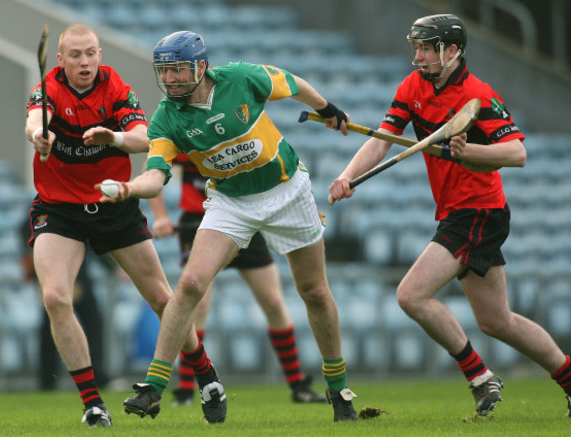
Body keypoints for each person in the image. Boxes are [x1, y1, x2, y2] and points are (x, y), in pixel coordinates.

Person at [329, 13, 571, 418]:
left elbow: (517, 153)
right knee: (498, 321)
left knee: (411, 294)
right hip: (458, 212)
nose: (419, 55)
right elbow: (383, 138)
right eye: (417, 47)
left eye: (427, 48)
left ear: (452, 51)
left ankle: (480, 377)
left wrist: (469, 152)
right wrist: (347, 175)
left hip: (479, 211)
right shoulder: (413, 86)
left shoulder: (478, 94)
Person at [104, 30, 358, 422]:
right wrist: (128, 189)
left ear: (201, 66)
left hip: (287, 190)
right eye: (164, 72)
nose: (169, 79)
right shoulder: (167, 118)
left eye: (177, 70)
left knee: (314, 292)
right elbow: (155, 175)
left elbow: (291, 83)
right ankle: (154, 387)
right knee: (189, 285)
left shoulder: (240, 77)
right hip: (230, 203)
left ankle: (338, 388)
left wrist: (326, 109)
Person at [25, 24, 222, 428]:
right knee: (57, 299)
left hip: (112, 202)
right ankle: (93, 404)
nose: (84, 62)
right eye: (75, 55)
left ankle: (205, 375)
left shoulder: (115, 88)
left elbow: (144, 137)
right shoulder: (48, 88)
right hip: (59, 209)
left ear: (100, 54)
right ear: (60, 60)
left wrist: (112, 138)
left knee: (165, 301)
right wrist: (38, 137)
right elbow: (33, 120)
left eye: (90, 53)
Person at [148, 155, 327, 405]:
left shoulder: (237, 135)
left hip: (244, 218)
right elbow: (154, 171)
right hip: (199, 224)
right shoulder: (186, 137)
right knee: (197, 305)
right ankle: (186, 390)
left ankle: (298, 385)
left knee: (274, 303)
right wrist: (160, 217)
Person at [20, 216, 109, 391]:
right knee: (51, 328)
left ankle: (97, 375)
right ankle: (47, 380)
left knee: (92, 324)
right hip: (53, 275)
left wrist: (112, 267)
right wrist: (31, 254)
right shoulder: (44, 207)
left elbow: (95, 240)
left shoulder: (78, 208)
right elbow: (26, 229)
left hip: (79, 277)